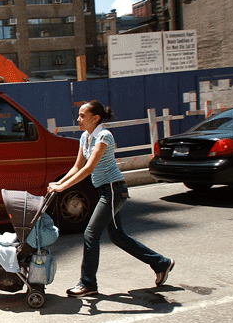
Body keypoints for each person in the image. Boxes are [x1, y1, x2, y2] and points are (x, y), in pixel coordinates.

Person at [47, 102, 174, 297]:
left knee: (90, 234)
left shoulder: (104, 136)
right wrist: (57, 184)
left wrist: (63, 187)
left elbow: (89, 168)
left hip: (114, 190)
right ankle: (161, 263)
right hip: (104, 191)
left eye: (82, 116)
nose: (78, 119)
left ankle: (88, 283)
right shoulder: (85, 137)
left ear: (95, 118)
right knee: (118, 237)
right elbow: (77, 166)